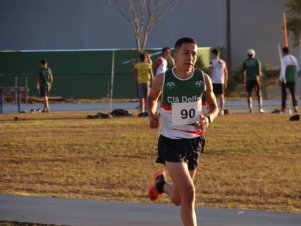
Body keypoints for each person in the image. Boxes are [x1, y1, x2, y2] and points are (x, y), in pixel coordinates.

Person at [147, 37, 218, 226]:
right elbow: (152, 98)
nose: (191, 57)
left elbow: (214, 107)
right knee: (189, 192)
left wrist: (208, 118)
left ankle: (160, 185)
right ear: (175, 55)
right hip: (170, 141)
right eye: (186, 53)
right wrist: (151, 114)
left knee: (178, 199)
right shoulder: (163, 79)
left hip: (194, 142)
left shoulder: (203, 79)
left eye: (194, 53)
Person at [242, 49, 264, 113]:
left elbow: (243, 71)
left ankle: (250, 109)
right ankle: (260, 108)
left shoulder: (245, 62)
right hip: (256, 79)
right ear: (254, 54)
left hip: (248, 80)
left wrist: (243, 79)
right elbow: (259, 71)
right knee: (258, 93)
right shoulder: (256, 61)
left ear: (247, 55)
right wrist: (260, 78)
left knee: (249, 94)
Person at [279, 47, 299, 113]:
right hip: (292, 78)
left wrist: (280, 79)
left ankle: (283, 108)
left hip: (286, 79)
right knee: (293, 93)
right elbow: (297, 68)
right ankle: (295, 107)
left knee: (284, 94)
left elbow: (283, 70)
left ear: (283, 52)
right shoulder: (294, 58)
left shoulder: (284, 59)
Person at [209, 48, 228, 116]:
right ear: (219, 54)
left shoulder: (211, 62)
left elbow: (210, 71)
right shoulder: (223, 62)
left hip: (213, 81)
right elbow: (226, 73)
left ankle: (213, 110)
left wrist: (208, 80)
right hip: (221, 81)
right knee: (221, 96)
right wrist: (225, 82)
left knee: (212, 96)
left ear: (214, 54)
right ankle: (221, 110)